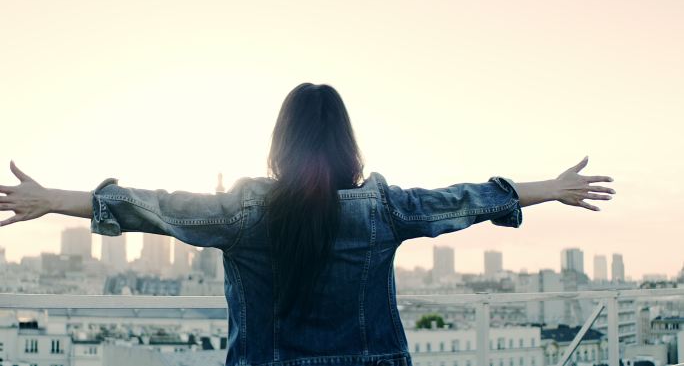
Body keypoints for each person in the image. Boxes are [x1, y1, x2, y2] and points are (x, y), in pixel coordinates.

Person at [0, 83, 614, 366]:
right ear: (347, 143)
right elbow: (466, 200)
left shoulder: (243, 213)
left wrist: (54, 198)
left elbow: (151, 206)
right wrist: (549, 190)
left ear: (281, 145)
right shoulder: (384, 209)